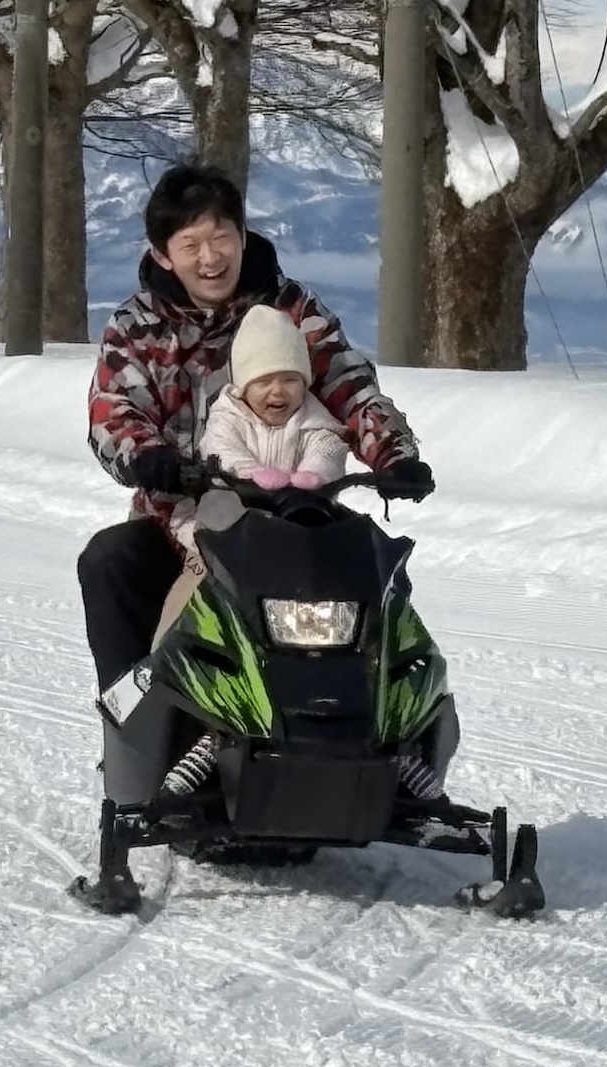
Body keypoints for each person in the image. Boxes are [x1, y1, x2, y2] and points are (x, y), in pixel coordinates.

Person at [79, 162, 433, 692]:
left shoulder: (291, 311)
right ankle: (132, 709)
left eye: (221, 237)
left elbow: (350, 387)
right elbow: (114, 410)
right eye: (191, 244)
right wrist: (148, 456)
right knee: (111, 560)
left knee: (376, 578)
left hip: (297, 518)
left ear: (243, 235)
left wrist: (393, 454)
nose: (210, 257)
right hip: (182, 524)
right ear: (163, 254)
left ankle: (392, 715)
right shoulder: (136, 326)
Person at [150, 303, 351, 647]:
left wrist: (313, 476)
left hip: (293, 530)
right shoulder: (228, 415)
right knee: (196, 581)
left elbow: (328, 446)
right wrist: (253, 474)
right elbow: (220, 449)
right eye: (264, 381)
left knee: (330, 580)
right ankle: (163, 654)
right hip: (224, 531)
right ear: (243, 386)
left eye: (290, 380)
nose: (278, 391)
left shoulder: (311, 417)